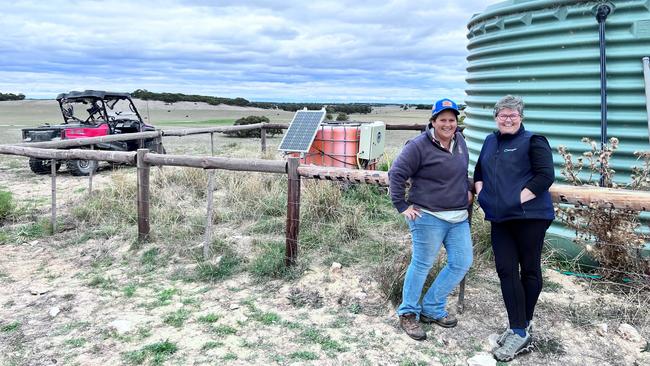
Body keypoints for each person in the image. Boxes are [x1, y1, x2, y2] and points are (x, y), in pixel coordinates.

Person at [473, 95, 555, 362]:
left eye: (513, 114)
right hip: (500, 219)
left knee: (529, 269)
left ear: (521, 117)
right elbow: (479, 174)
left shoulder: (534, 141)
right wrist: (484, 196)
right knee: (506, 270)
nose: (507, 119)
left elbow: (545, 176)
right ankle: (518, 327)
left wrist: (511, 200)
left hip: (530, 217)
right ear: (495, 117)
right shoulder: (489, 140)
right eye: (503, 115)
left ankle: (523, 326)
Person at [388, 98, 473, 341]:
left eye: (452, 120)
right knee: (422, 264)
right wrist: (401, 205)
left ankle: (432, 307)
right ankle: (408, 313)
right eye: (442, 120)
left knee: (461, 262)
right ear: (433, 121)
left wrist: (467, 188)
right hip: (428, 216)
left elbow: (461, 171)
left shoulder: (460, 141)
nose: (448, 124)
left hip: (458, 217)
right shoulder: (419, 145)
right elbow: (396, 173)